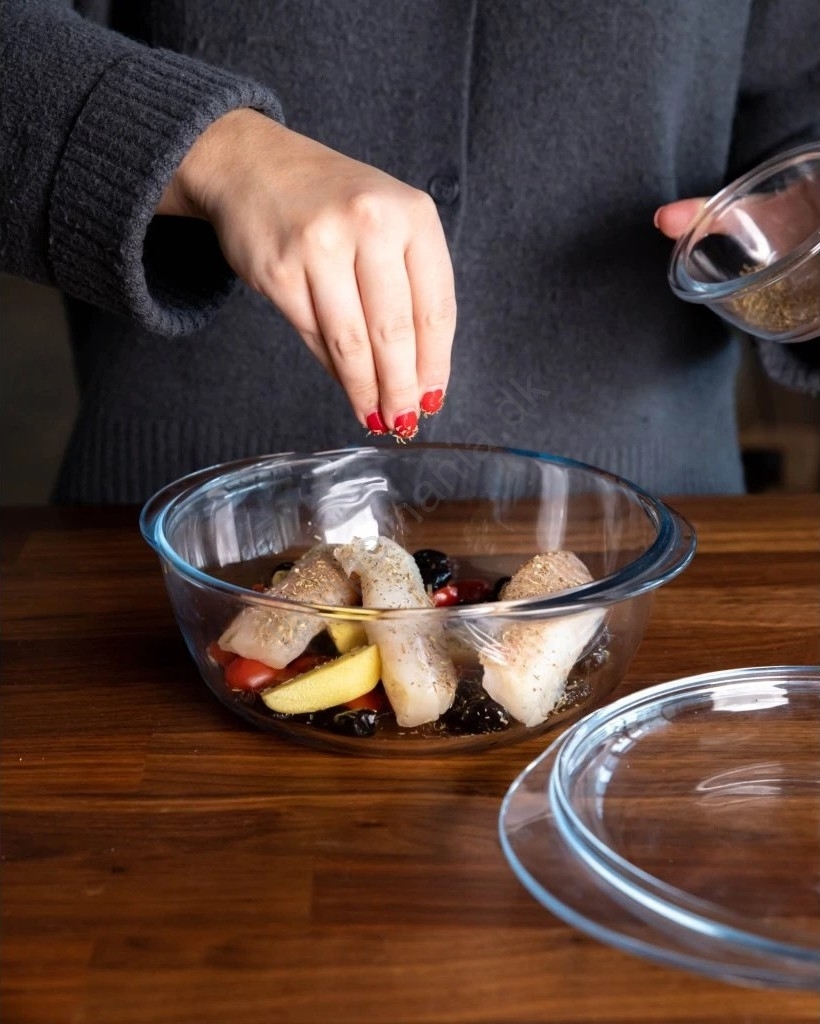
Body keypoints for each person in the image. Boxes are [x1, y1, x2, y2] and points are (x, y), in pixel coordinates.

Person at [1, 0, 818, 503]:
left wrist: (801, 218)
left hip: (648, 529)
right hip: (176, 533)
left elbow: (794, 90)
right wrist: (216, 152)